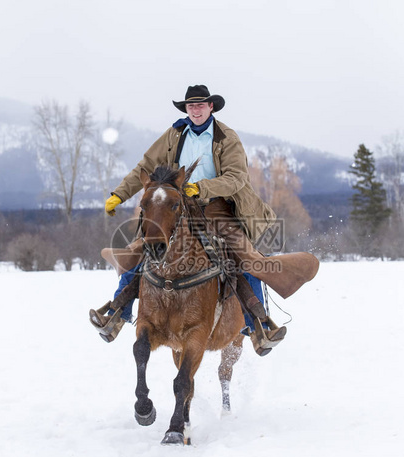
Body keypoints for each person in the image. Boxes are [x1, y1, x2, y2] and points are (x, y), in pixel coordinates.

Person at [89, 85, 319, 354]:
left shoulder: (226, 137)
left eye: (201, 105)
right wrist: (119, 194)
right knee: (139, 250)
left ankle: (258, 326)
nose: (195, 110)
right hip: (177, 207)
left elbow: (236, 178)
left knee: (245, 258)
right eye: (191, 106)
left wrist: (201, 189)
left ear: (211, 107)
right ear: (186, 109)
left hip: (216, 207)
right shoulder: (175, 134)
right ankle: (116, 314)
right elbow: (145, 167)